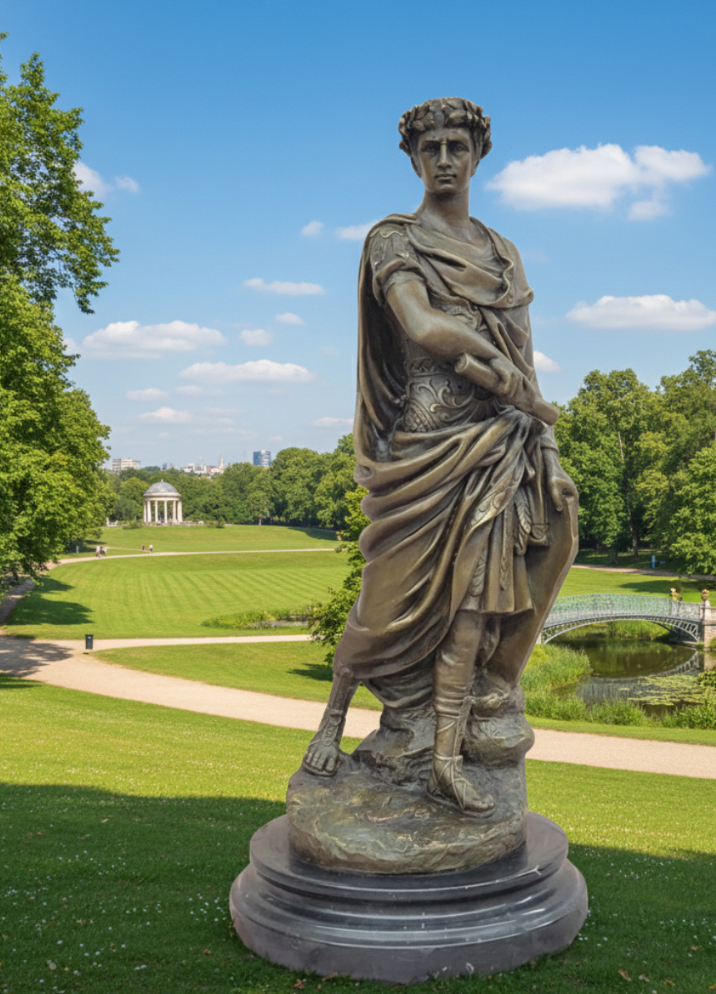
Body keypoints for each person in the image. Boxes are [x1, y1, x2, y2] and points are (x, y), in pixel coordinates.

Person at [301, 98, 579, 814]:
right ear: (413, 158)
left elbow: (528, 363)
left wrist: (547, 449)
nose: (446, 158)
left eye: (459, 145)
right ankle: (333, 719)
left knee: (474, 611)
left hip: (497, 447)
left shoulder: (502, 253)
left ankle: (447, 760)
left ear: (479, 154)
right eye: (432, 148)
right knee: (383, 603)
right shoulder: (392, 239)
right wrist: (485, 358)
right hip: (424, 447)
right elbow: (421, 325)